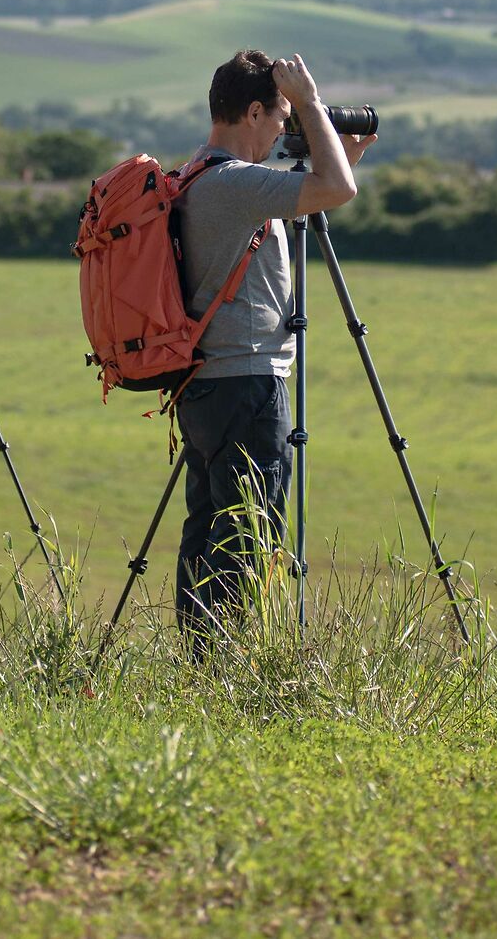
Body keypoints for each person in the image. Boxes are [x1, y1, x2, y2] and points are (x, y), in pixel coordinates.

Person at [172, 50, 372, 637]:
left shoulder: (198, 176)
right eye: (281, 116)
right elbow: (338, 191)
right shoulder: (234, 184)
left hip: (205, 382)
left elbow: (316, 189)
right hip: (247, 382)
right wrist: (312, 104)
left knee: (208, 525)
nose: (286, 128)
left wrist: (335, 153)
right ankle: (226, 667)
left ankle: (199, 664)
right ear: (253, 110)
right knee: (247, 529)